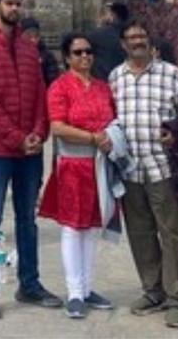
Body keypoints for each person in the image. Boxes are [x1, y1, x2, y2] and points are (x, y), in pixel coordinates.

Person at [0, 0, 61, 320]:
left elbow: (39, 94)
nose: (14, 9)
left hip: (28, 148)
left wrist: (37, 132)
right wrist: (15, 137)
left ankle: (29, 283)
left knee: (27, 219)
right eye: (9, 3)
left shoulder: (27, 47)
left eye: (18, 3)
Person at [109, 18, 178, 329]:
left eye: (142, 36)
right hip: (131, 171)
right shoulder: (115, 77)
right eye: (131, 37)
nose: (137, 41)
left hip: (163, 168)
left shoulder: (170, 74)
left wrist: (175, 134)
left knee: (173, 235)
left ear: (150, 41)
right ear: (123, 44)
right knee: (141, 234)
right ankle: (153, 290)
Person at [38, 31, 121, 319]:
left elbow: (113, 120)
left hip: (99, 165)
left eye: (88, 52)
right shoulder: (60, 87)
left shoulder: (102, 87)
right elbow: (58, 127)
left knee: (93, 227)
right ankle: (73, 291)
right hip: (73, 166)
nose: (84, 57)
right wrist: (92, 138)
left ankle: (86, 288)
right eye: (77, 53)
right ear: (66, 57)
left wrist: (110, 138)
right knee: (73, 228)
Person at [86, 2, 129, 81]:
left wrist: (99, 26)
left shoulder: (97, 35)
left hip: (103, 83)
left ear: (112, 15)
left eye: (103, 14)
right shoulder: (135, 33)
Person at [21, 17, 61, 87]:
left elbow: (53, 81)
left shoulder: (47, 56)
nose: (33, 40)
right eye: (29, 36)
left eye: (36, 36)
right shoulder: (16, 54)